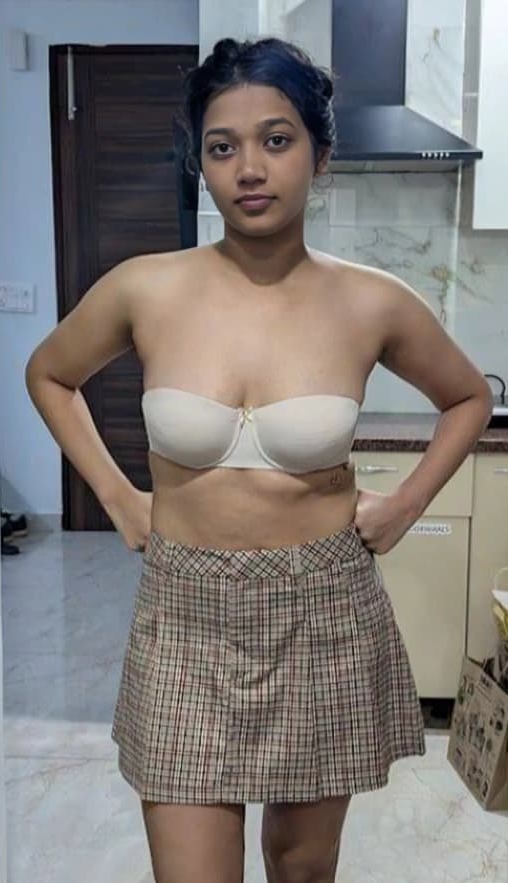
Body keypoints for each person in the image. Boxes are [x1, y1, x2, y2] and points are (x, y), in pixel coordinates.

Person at [25, 35, 493, 883]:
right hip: (184, 614)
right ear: (200, 164)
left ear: (319, 153)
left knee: (301, 866)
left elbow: (467, 397)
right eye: (222, 146)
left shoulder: (371, 301)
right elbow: (50, 374)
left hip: (324, 610)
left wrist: (404, 504)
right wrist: (119, 496)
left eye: (276, 140)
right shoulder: (144, 287)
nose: (249, 168)